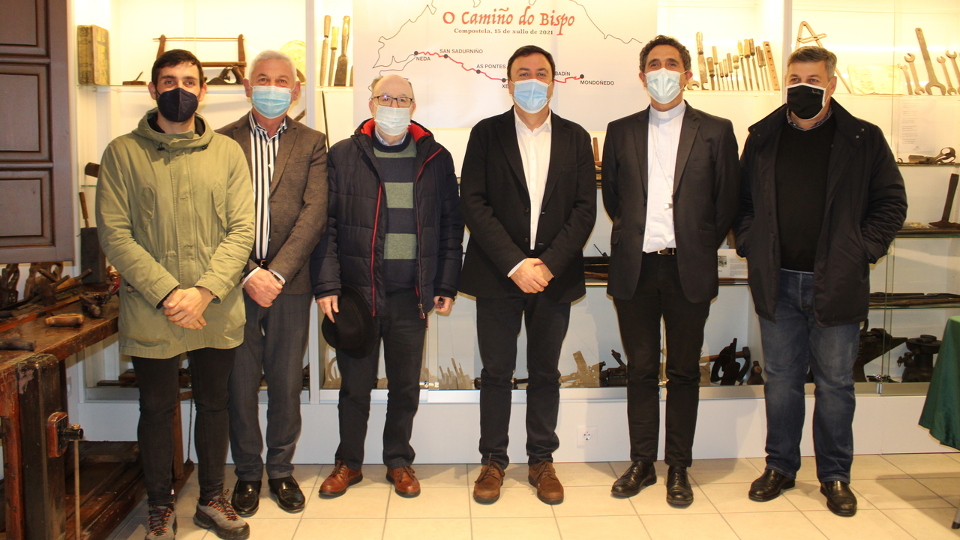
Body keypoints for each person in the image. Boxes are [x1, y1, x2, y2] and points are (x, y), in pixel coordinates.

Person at [735, 46, 907, 517]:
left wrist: (861, 250)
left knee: (835, 385)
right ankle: (780, 467)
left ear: (832, 84)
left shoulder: (863, 138)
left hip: (836, 282)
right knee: (781, 382)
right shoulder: (763, 137)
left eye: (813, 80)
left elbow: (891, 203)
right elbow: (742, 203)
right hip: (777, 282)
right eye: (795, 79)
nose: (802, 87)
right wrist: (750, 242)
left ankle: (834, 475)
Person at [95, 49, 254, 540]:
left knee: (214, 404)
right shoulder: (122, 153)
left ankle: (211, 499)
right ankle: (160, 506)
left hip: (214, 306)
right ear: (153, 89)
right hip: (151, 306)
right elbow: (115, 234)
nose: (179, 90)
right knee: (156, 408)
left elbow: (241, 230)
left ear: (203, 91)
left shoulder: (227, 153)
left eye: (188, 81)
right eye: (168, 81)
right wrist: (168, 293)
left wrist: (203, 291)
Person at [601, 35, 740, 507]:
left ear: (687, 74)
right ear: (643, 77)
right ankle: (642, 462)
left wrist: (697, 242)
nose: (664, 71)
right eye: (655, 65)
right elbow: (614, 199)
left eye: (672, 64)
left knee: (683, 371)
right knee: (640, 370)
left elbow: (727, 201)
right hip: (636, 269)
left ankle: (678, 466)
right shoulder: (620, 131)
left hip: (688, 268)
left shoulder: (716, 130)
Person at [311, 74, 463, 499]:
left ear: (413, 106)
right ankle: (349, 463)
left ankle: (398, 461)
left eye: (402, 99)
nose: (393, 106)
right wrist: (327, 284)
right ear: (371, 103)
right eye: (386, 97)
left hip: (411, 296)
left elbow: (451, 226)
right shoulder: (343, 155)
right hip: (358, 296)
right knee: (354, 388)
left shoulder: (436, 157)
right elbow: (326, 226)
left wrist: (446, 282)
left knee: (405, 387)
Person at [460, 45, 597, 506]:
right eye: (523, 73)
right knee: (496, 372)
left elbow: (584, 209)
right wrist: (516, 264)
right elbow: (473, 203)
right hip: (499, 273)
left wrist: (548, 264)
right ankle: (493, 461)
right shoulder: (486, 133)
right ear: (509, 82)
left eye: (541, 73)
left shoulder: (576, 137)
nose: (533, 80)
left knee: (545, 372)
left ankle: (541, 460)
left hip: (554, 275)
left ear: (554, 82)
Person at [217, 50, 328, 517]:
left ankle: (280, 470)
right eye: (263, 79)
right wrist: (247, 272)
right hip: (233, 282)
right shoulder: (220, 142)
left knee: (285, 383)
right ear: (247, 87)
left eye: (282, 81)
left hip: (290, 284)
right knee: (240, 384)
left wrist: (277, 273)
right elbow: (213, 216)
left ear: (296, 90)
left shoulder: (313, 143)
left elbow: (314, 212)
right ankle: (247, 472)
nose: (272, 87)